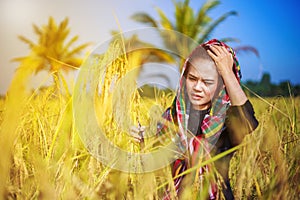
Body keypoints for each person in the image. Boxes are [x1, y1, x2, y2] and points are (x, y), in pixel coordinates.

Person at [131, 39, 259, 199]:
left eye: (207, 82)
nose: (198, 87)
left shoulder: (224, 122)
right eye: (192, 79)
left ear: (221, 85)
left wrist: (227, 71)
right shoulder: (171, 117)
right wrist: (144, 142)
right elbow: (157, 169)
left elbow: (248, 122)